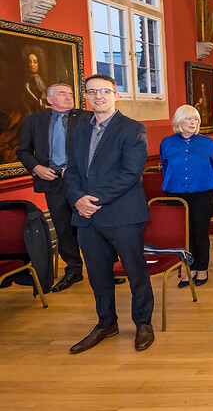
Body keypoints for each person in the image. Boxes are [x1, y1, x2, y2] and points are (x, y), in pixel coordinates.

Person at [64, 74, 154, 354]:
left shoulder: (133, 129)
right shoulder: (78, 131)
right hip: (87, 218)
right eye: (92, 92)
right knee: (97, 274)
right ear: (86, 97)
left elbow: (130, 173)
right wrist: (78, 198)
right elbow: (72, 172)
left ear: (117, 95)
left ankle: (143, 323)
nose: (98, 96)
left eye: (104, 91)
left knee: (135, 272)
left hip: (123, 215)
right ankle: (106, 323)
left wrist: (94, 199)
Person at [16, 83, 93, 292]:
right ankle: (74, 270)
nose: (69, 97)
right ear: (50, 99)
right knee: (63, 226)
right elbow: (22, 151)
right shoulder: (34, 121)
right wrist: (37, 168)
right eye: (62, 94)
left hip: (80, 180)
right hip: (51, 180)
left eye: (70, 94)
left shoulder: (86, 117)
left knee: (91, 224)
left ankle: (103, 267)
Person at [160, 105, 213, 288]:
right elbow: (165, 167)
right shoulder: (166, 143)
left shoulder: (208, 143)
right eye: (188, 119)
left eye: (196, 120)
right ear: (179, 121)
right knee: (183, 235)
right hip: (175, 196)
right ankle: (189, 268)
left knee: (199, 232)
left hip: (202, 194)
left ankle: (202, 268)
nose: (193, 123)